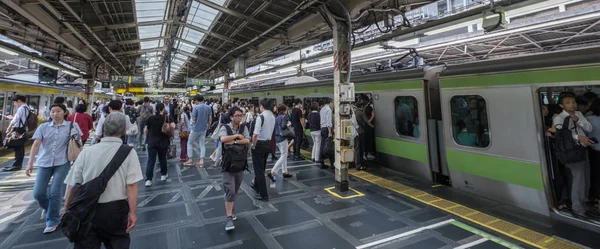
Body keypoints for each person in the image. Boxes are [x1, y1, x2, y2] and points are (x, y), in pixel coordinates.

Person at [63, 113, 143, 248]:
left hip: (86, 210)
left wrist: (66, 211)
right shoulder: (129, 153)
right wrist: (133, 213)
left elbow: (72, 185)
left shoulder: (87, 152)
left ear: (104, 130)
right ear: (123, 131)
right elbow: (132, 185)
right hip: (115, 211)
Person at [25, 104, 82, 234]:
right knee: (38, 193)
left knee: (55, 191)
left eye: (58, 111)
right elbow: (36, 144)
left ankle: (53, 220)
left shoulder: (72, 126)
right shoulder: (43, 127)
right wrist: (30, 163)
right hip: (44, 162)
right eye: (52, 111)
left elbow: (78, 143)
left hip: (63, 162)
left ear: (65, 113)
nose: (55, 114)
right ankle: (49, 208)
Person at [553, 92, 594, 217]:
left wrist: (578, 121)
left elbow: (589, 128)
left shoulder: (579, 114)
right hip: (570, 152)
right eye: (568, 102)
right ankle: (578, 208)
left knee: (585, 177)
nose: (572, 105)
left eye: (573, 102)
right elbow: (561, 136)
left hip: (582, 149)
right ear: (561, 105)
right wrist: (578, 137)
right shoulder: (558, 118)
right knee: (578, 179)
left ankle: (583, 203)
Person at [219, 106, 250, 231]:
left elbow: (247, 140)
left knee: (235, 191)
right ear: (231, 117)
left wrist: (235, 142)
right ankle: (229, 218)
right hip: (228, 165)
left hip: (240, 164)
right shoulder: (225, 127)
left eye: (241, 115)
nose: (239, 117)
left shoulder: (244, 127)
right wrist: (237, 136)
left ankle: (230, 204)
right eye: (237, 115)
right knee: (230, 191)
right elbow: (223, 139)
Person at [144, 103, 175, 187]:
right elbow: (173, 126)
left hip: (152, 141)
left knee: (151, 160)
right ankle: (163, 175)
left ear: (155, 109)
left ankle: (148, 180)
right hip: (163, 141)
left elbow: (146, 130)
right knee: (162, 158)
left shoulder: (150, 118)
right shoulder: (166, 118)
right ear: (162, 109)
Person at [251, 98, 275, 201]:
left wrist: (253, 145)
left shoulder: (261, 117)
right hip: (268, 144)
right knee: (262, 167)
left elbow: (256, 134)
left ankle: (263, 194)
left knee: (258, 170)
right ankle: (256, 185)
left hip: (259, 144)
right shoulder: (273, 117)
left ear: (262, 106)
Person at [3, 95, 29, 172]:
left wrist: (9, 127)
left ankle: (16, 165)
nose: (14, 104)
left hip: (18, 129)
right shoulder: (26, 108)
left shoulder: (21, 108)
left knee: (18, 147)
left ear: (19, 101)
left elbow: (15, 119)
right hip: (22, 129)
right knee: (20, 147)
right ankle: (17, 164)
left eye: (15, 102)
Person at [184, 95, 212, 167]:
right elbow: (210, 118)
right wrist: (208, 126)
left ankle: (190, 159)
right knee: (202, 144)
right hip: (204, 128)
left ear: (197, 100)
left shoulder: (196, 107)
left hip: (195, 128)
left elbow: (193, 119)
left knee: (190, 143)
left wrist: (191, 127)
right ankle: (201, 160)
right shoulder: (208, 107)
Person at [268, 104, 293, 182]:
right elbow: (283, 126)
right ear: (283, 110)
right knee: (283, 156)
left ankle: (285, 172)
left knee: (284, 155)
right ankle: (272, 172)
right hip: (282, 138)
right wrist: (288, 124)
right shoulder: (284, 117)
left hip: (277, 138)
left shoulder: (276, 117)